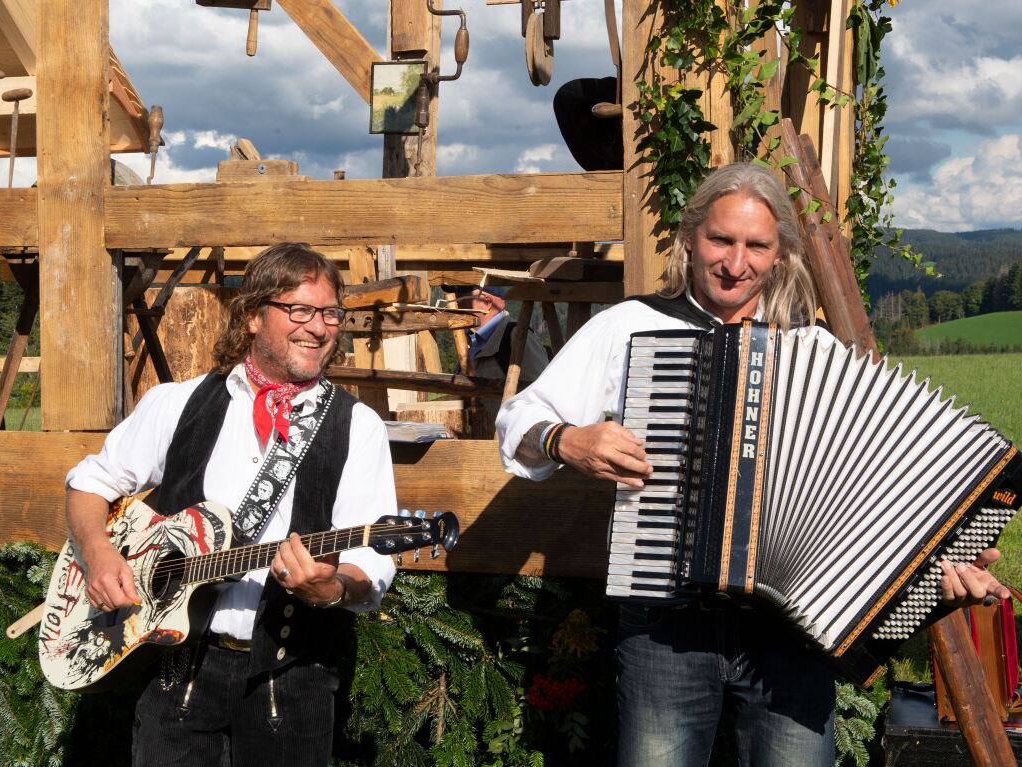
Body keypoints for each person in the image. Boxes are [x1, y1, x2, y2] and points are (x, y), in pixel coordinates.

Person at [495, 163, 1008, 766]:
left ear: (779, 253)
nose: (735, 264)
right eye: (721, 240)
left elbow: (876, 493)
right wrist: (566, 439)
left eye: (756, 246)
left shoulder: (815, 353)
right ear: (689, 237)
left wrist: (938, 562)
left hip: (789, 632)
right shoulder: (632, 328)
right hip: (665, 627)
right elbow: (518, 419)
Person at [65, 243, 397, 766]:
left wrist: (330, 587)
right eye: (300, 310)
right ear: (251, 317)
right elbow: (90, 482)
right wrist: (98, 551)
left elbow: (372, 562)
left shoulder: (357, 427)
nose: (319, 327)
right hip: (175, 672)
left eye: (331, 312)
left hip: (291, 680)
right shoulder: (178, 402)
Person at [446, 284, 549, 418]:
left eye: (461, 300)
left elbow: (540, 393)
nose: (456, 307)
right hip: (476, 434)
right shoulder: (470, 341)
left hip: (502, 436)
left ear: (486, 302)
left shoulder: (516, 337)